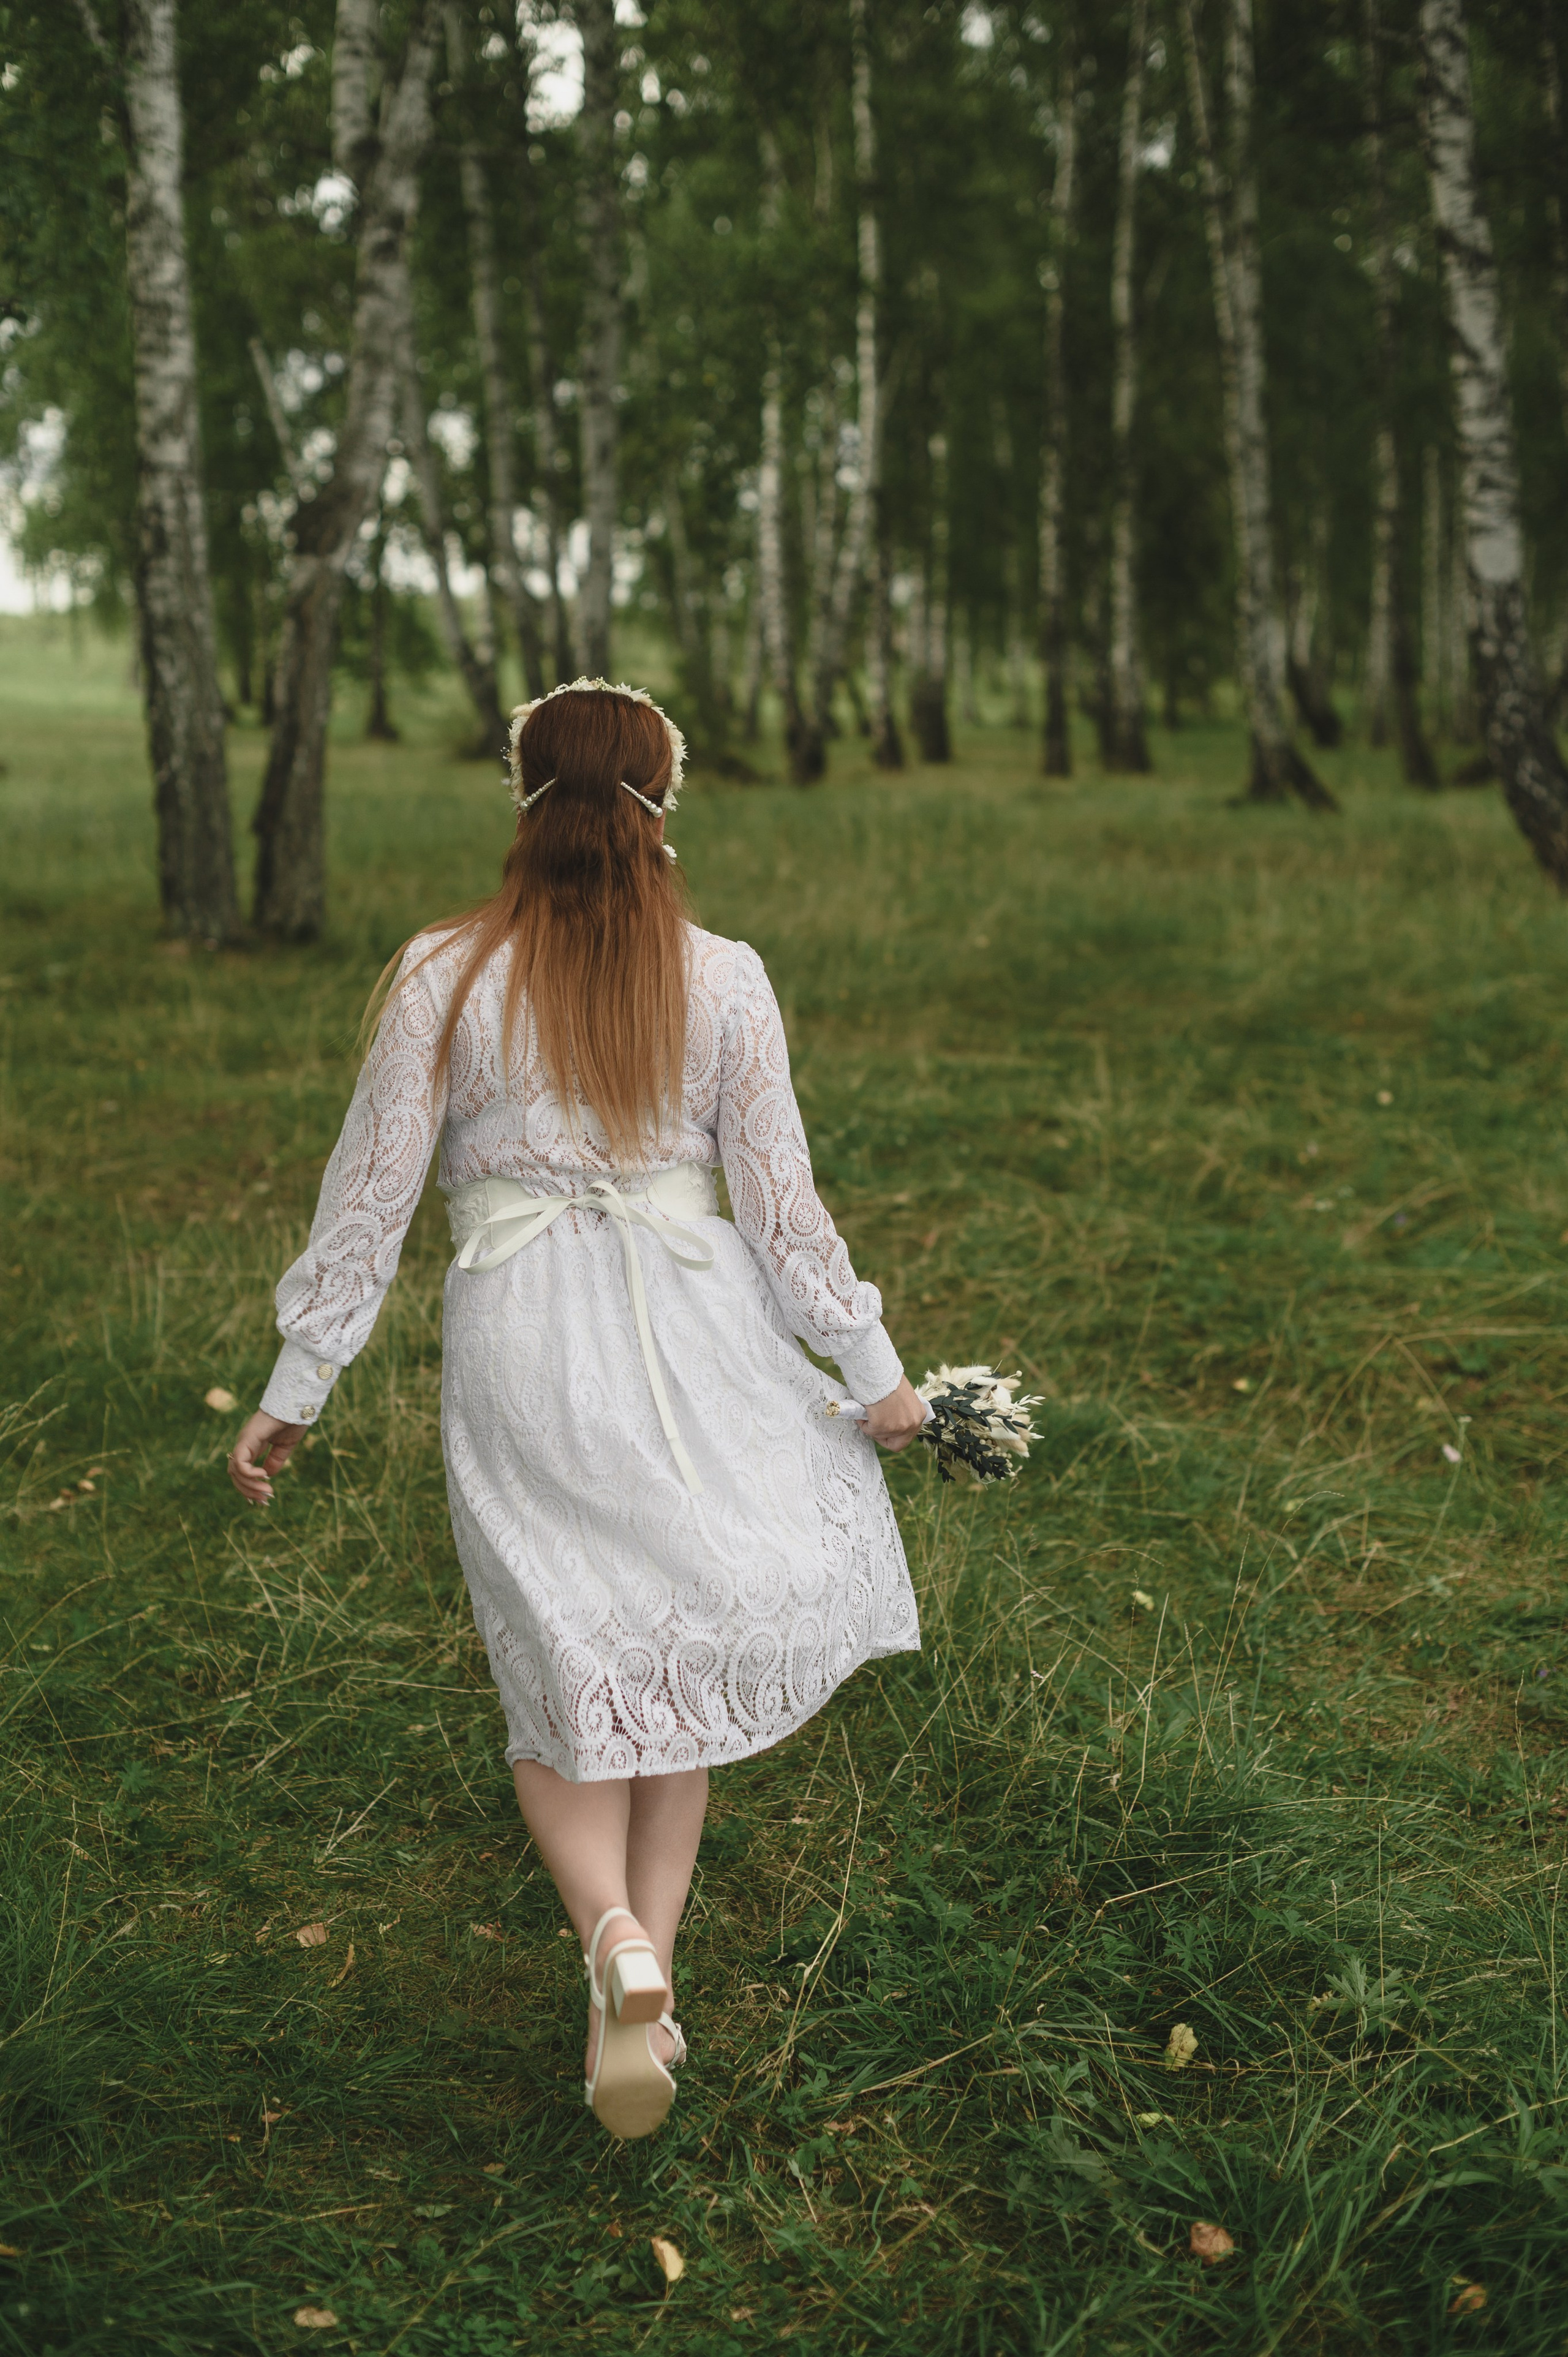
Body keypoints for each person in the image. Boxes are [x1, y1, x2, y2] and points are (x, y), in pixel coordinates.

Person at [226, 679, 924, 2140]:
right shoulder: (723, 976)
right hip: (692, 1335)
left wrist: (302, 1382)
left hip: (520, 1342)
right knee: (666, 1653)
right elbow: (784, 1216)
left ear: (521, 794)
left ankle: (612, 1945)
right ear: (665, 802)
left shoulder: (445, 973)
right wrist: (873, 1373)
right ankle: (644, 1961)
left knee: (558, 1664)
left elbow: (369, 1196)